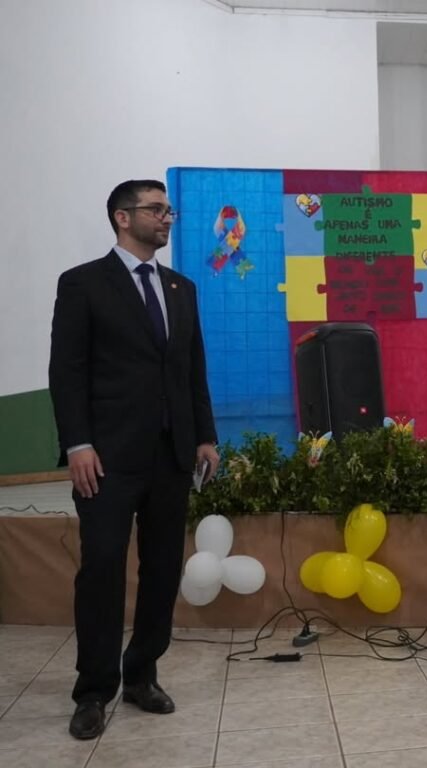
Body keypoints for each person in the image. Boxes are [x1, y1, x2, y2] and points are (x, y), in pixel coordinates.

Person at [49, 179, 220, 739]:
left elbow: (192, 369)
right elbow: (67, 371)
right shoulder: (82, 284)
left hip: (171, 454)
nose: (166, 217)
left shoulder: (180, 288)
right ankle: (94, 690)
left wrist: (205, 436)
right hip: (106, 457)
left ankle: (142, 672)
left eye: (169, 210)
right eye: (155, 209)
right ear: (123, 218)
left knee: (162, 569)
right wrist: (77, 443)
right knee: (101, 568)